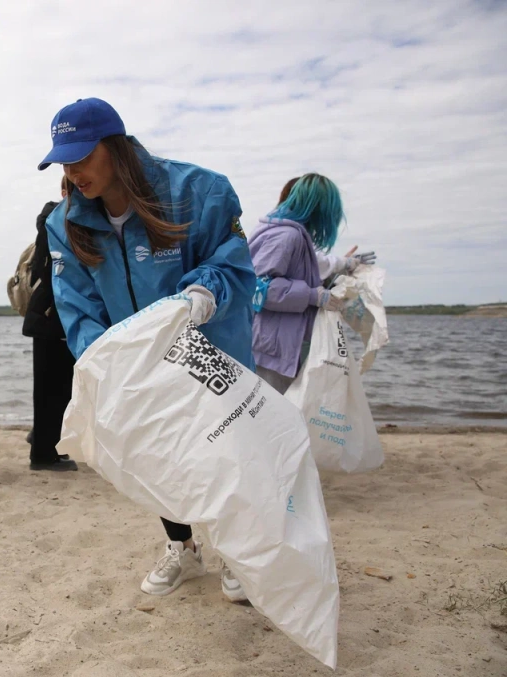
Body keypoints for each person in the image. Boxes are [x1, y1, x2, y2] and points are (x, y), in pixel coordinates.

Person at [37, 97, 256, 602]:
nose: (73, 172)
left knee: (224, 454)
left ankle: (234, 552)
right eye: (63, 161)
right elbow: (77, 305)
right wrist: (103, 361)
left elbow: (233, 260)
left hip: (208, 349)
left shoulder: (199, 190)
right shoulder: (64, 222)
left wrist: (205, 292)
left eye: (82, 157)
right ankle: (182, 547)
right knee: (157, 456)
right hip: (135, 363)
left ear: (115, 147)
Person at [248, 173, 354, 394]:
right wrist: (312, 296)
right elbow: (258, 288)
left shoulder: (290, 233)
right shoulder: (286, 236)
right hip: (271, 351)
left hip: (279, 346)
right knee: (273, 419)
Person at [22, 176, 79, 472]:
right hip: (51, 316)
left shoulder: (54, 219)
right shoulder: (57, 220)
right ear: (65, 192)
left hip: (50, 316)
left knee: (57, 388)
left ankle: (43, 440)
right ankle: (43, 454)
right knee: (52, 389)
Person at [277, 176, 377, 283]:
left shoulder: (287, 232)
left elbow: (312, 272)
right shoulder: (290, 235)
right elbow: (314, 263)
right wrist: (344, 263)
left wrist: (340, 269)